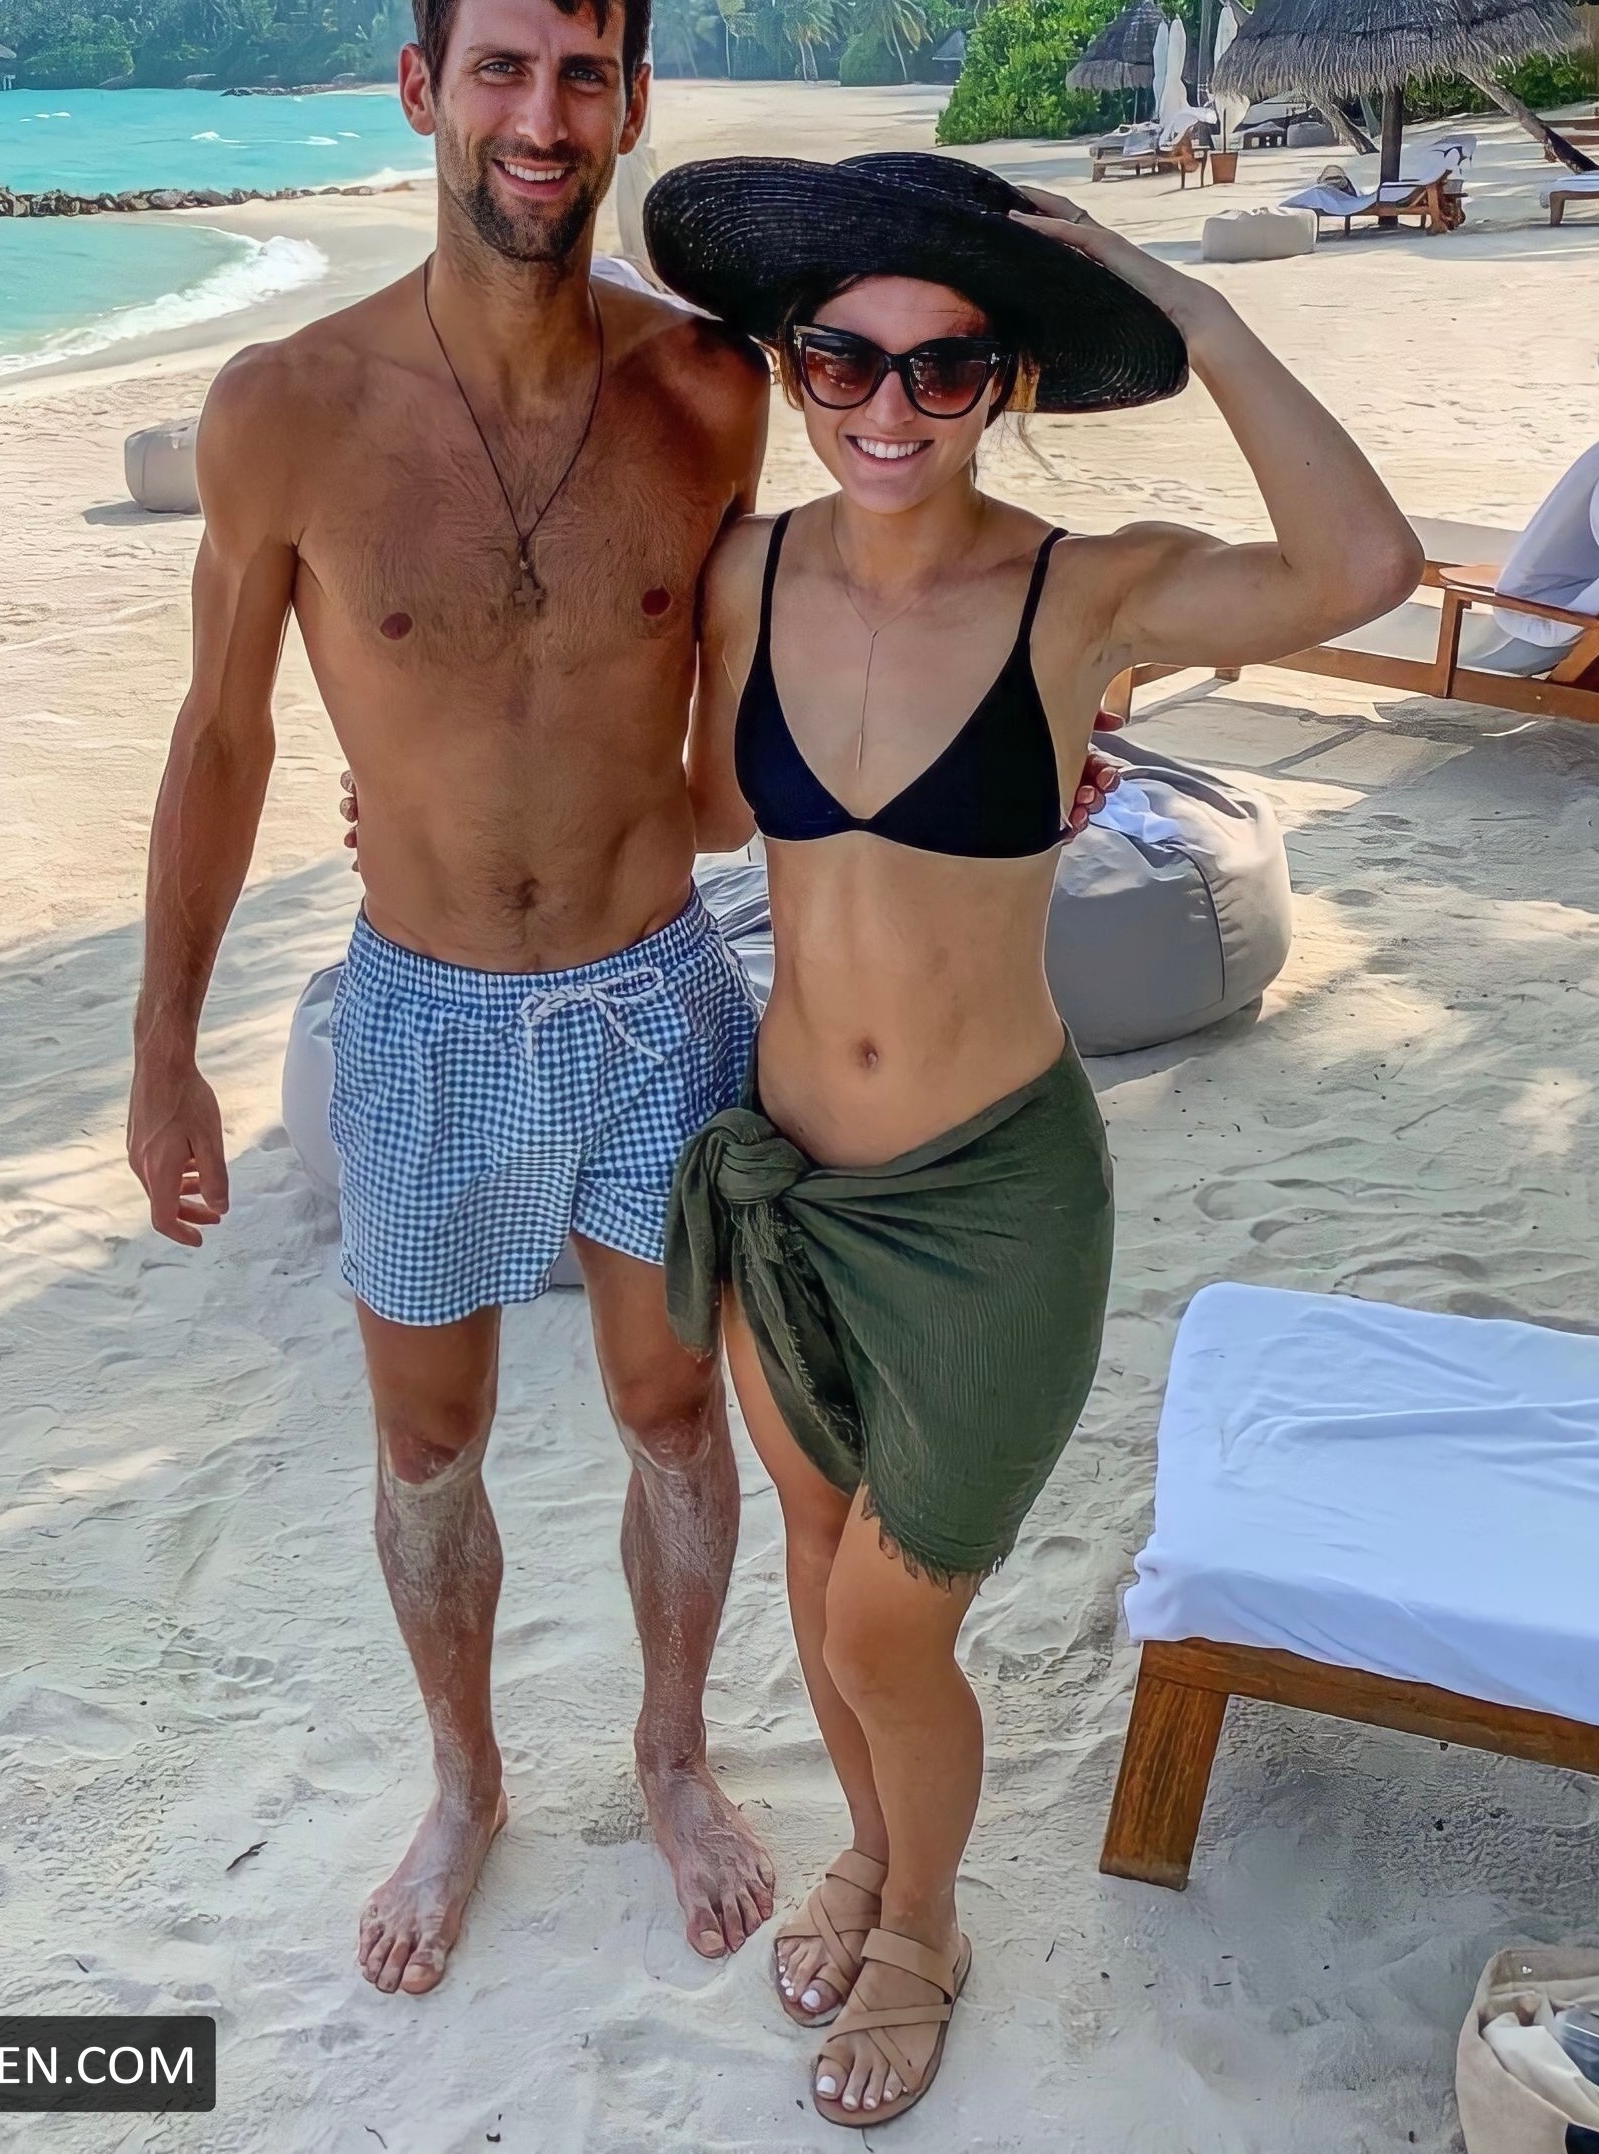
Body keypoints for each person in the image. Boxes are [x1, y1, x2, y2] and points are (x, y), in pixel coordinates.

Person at [128, 0, 1129, 2002]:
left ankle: (673, 1755)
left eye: (583, 75)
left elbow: (827, 631)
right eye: (501, 69)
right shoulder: (284, 409)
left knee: (678, 1423)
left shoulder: (705, 393)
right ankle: (465, 1783)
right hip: (414, 1015)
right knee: (427, 1445)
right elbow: (219, 736)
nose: (542, 117)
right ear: (421, 85)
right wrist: (162, 1047)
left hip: (657, 992)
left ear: (632, 100)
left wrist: (1027, 741)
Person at [646, 150, 1423, 2127]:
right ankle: (871, 1857)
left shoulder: (1091, 591)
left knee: (887, 1621)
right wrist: (460, 822)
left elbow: (1361, 565)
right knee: (817, 1570)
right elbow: (709, 810)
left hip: (991, 1202)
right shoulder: (746, 572)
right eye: (844, 360)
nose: (889, 408)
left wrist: (1200, 310)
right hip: (784, 1179)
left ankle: (925, 1926)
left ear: (1005, 383)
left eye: (944, 367)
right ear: (792, 366)